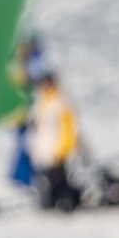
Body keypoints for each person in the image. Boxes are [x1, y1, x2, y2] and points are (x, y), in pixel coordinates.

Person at [27, 73, 80, 212]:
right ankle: (52, 200)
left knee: (60, 180)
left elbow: (68, 130)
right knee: (49, 179)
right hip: (45, 150)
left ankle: (66, 201)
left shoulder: (60, 103)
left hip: (56, 150)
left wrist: (63, 148)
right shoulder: (43, 103)